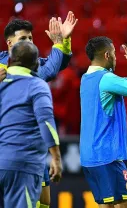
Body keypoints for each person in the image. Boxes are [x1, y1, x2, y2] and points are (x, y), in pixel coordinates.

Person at [0, 12, 77, 208]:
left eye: (30, 38)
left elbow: (52, 66)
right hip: (11, 148)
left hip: (31, 148)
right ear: (9, 43)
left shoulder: (33, 68)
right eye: (23, 38)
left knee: (44, 200)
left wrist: (63, 42)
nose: (29, 42)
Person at [80, 35, 127, 207]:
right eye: (114, 53)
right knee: (126, 205)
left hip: (90, 157)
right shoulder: (106, 79)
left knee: (107, 205)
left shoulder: (86, 78)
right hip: (107, 156)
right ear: (107, 55)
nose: (116, 57)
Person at [0, 41, 62, 208]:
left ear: (10, 61)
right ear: (36, 65)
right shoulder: (37, 85)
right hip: (22, 164)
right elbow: (46, 122)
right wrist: (56, 157)